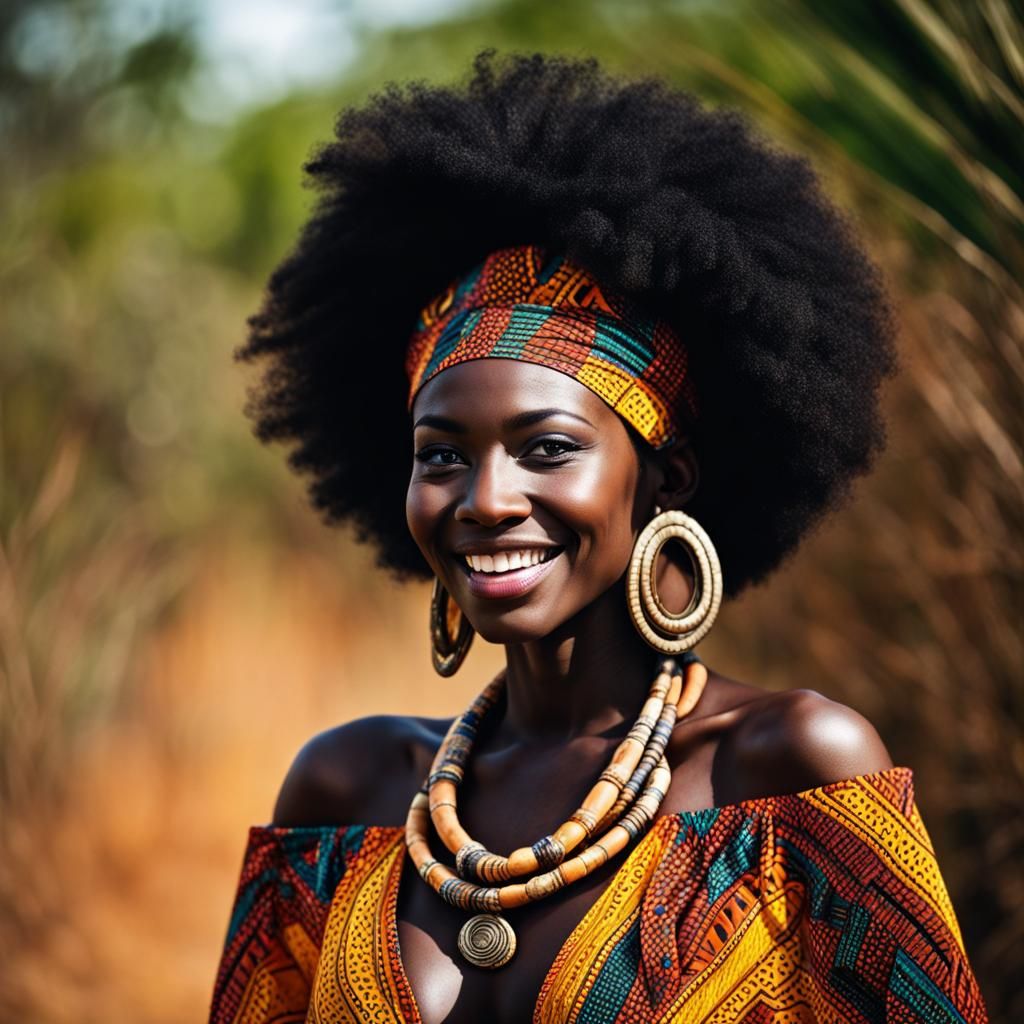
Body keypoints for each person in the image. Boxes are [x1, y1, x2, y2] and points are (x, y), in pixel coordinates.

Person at [209, 52, 987, 1024]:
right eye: (441, 454)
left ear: (665, 477)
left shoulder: (787, 770)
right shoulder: (347, 790)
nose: (486, 498)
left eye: (546, 447)